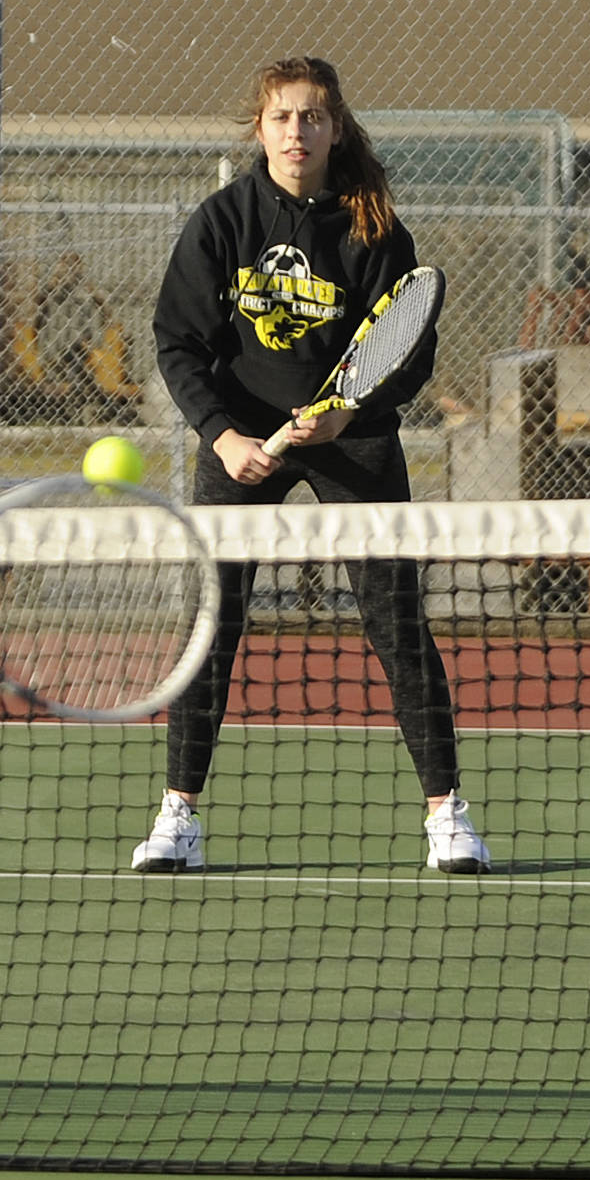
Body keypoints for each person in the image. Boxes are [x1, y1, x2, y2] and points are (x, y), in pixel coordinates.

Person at [132, 55, 490, 877]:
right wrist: (222, 435)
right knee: (210, 624)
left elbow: (409, 348)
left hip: (350, 438)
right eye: (283, 117)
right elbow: (178, 340)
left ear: (336, 128)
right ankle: (178, 816)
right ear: (259, 129)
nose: (298, 131)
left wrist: (347, 413)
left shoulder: (375, 231)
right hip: (243, 436)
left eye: (313, 116)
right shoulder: (223, 221)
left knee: (395, 619)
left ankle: (447, 817)